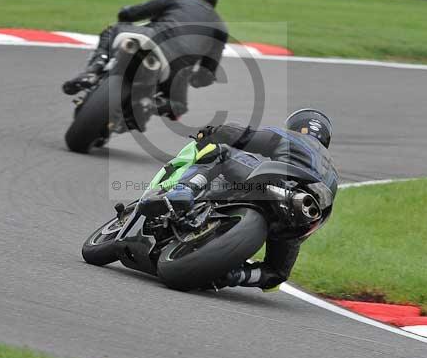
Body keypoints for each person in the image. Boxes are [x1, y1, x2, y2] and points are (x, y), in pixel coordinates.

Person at [140, 109, 338, 292]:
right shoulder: (333, 176)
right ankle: (233, 275)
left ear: (296, 126)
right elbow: (320, 216)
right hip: (301, 216)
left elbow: (243, 135)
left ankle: (184, 190)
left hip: (276, 185)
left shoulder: (295, 138)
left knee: (220, 153)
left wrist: (213, 132)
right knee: (276, 273)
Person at [63, 0, 227, 120]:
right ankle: (149, 104)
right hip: (178, 65)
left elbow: (131, 13)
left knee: (112, 29)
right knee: (179, 105)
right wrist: (197, 80)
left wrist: (125, 14)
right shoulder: (221, 28)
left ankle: (93, 70)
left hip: (152, 40)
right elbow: (207, 71)